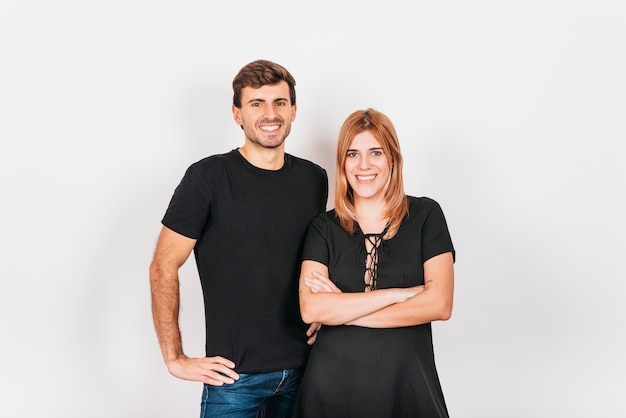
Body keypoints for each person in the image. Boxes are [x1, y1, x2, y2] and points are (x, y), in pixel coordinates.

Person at [149, 59, 328, 417]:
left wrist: (324, 308)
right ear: (237, 114)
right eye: (256, 104)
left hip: (305, 370)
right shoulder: (207, 178)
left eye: (279, 102)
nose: (269, 114)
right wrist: (174, 358)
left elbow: (318, 256)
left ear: (293, 111)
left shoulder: (314, 179)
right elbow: (163, 265)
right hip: (234, 378)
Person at [293, 108, 455, 418]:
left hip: (407, 388)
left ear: (393, 158)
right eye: (353, 154)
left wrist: (342, 309)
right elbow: (312, 309)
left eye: (375, 152)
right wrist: (398, 294)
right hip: (330, 392)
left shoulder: (425, 216)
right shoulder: (323, 228)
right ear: (342, 162)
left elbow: (439, 303)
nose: (363, 165)